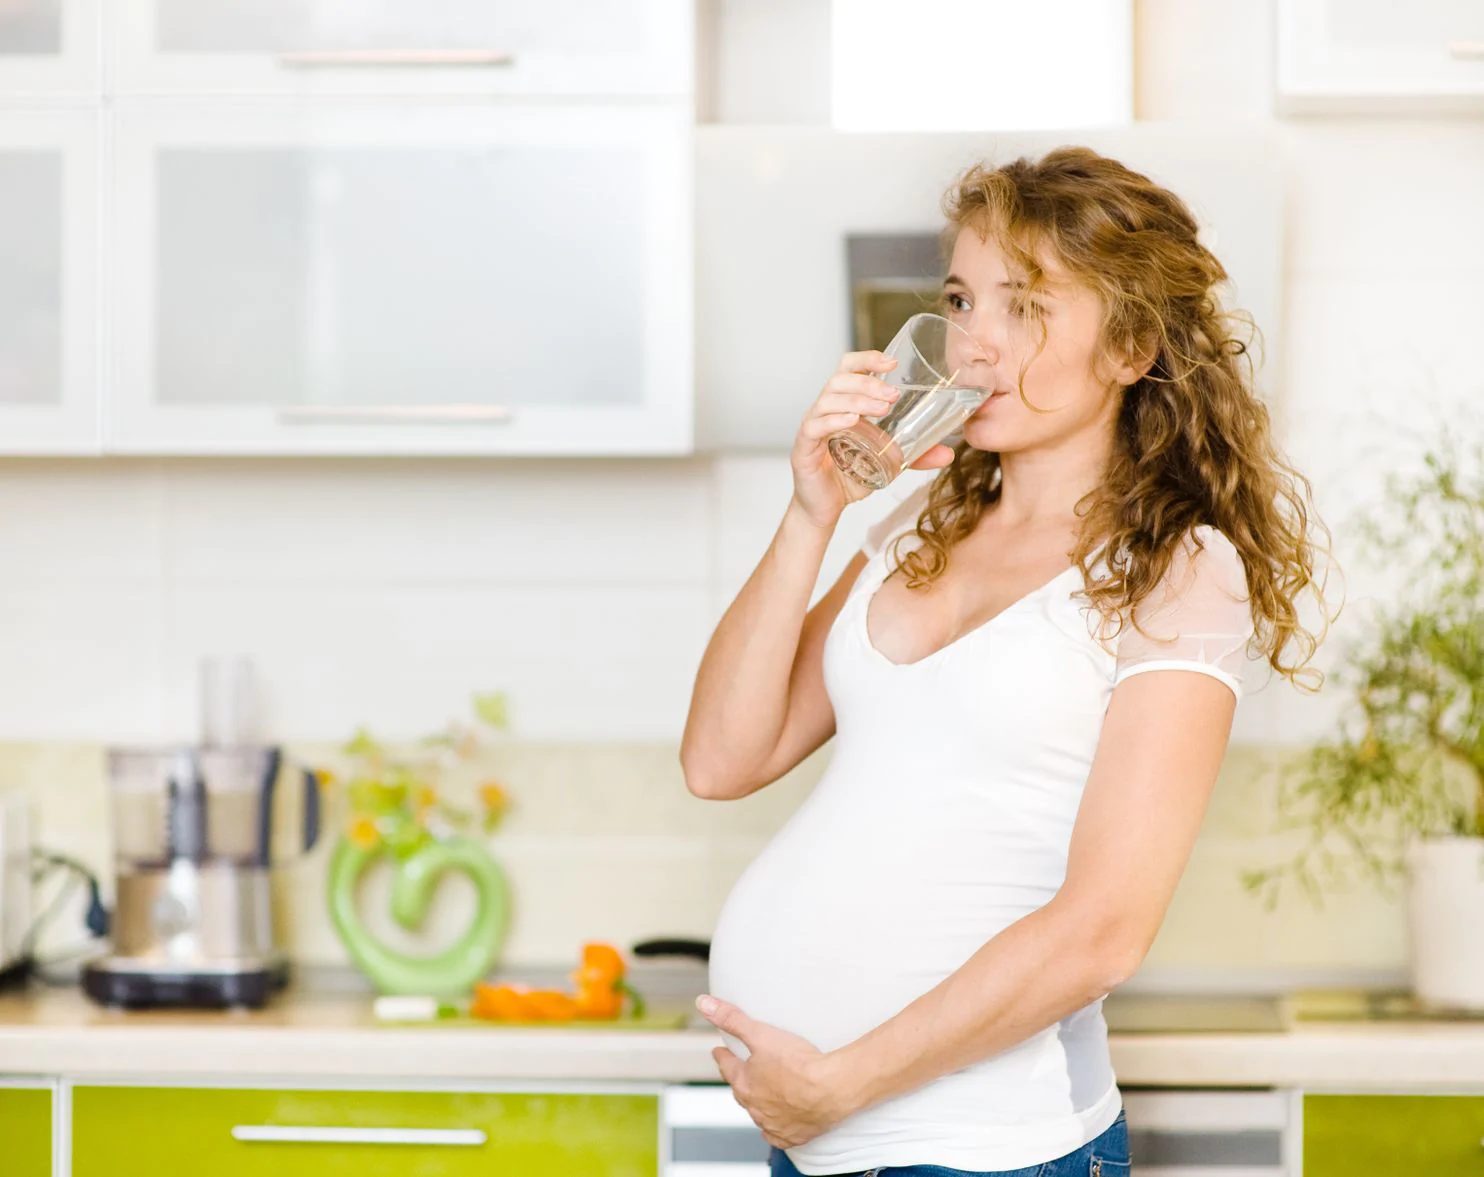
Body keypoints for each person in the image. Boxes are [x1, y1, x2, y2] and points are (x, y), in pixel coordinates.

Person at [679, 146, 1332, 1177]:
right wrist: (812, 515)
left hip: (986, 1150)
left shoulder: (1172, 568)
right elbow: (720, 759)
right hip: (818, 1143)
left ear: (1128, 348)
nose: (972, 344)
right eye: (959, 299)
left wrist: (841, 1083)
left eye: (1022, 307)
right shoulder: (914, 527)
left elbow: (1102, 929)